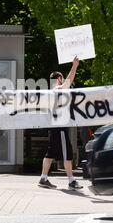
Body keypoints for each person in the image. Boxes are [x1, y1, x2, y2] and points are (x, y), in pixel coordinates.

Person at [39, 56, 83, 190]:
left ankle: (43, 178)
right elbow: (68, 82)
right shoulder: (57, 90)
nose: (63, 80)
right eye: (62, 78)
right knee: (67, 153)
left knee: (50, 153)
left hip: (54, 126)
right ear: (59, 79)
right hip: (60, 127)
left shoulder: (50, 92)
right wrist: (75, 65)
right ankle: (71, 181)